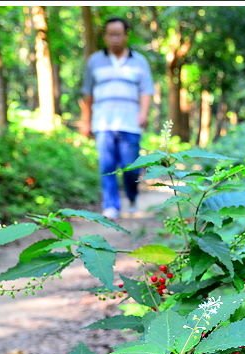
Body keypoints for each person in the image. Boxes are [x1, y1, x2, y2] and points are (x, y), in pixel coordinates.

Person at [80, 16, 154, 219]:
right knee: (106, 166)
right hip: (103, 122)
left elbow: (146, 90)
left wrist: (143, 114)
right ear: (105, 36)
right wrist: (85, 121)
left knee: (131, 167)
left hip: (130, 123)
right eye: (110, 34)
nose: (114, 39)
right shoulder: (94, 61)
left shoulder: (139, 61)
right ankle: (111, 205)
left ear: (126, 36)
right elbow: (87, 93)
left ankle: (132, 197)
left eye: (118, 34)